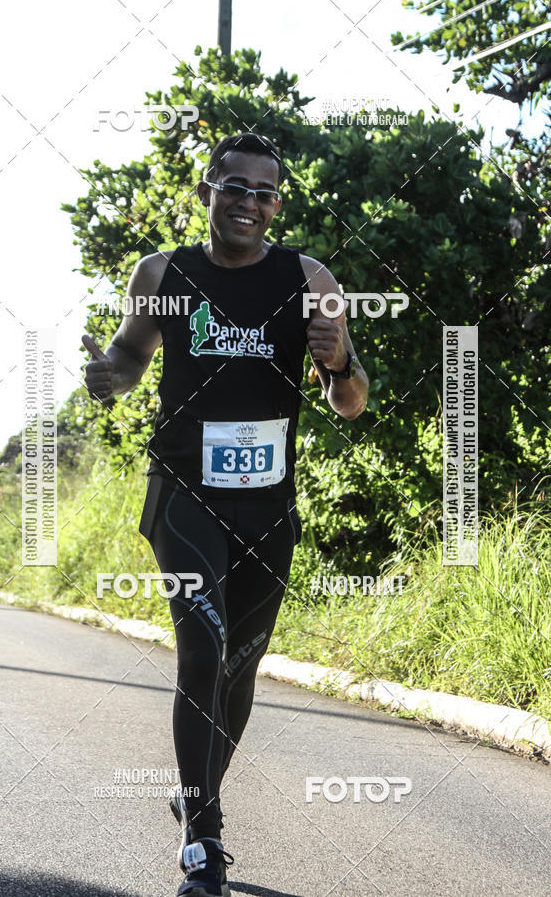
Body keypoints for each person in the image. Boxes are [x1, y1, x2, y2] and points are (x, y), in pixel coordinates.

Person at [82, 133, 369, 897]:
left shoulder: (309, 279)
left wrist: (339, 360)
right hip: (184, 495)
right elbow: (128, 362)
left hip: (269, 505)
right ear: (206, 191)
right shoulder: (163, 273)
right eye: (233, 186)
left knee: (241, 666)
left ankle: (197, 792)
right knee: (202, 647)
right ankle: (204, 841)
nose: (248, 201)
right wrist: (105, 377)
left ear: (277, 205)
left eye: (263, 192)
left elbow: (350, 402)